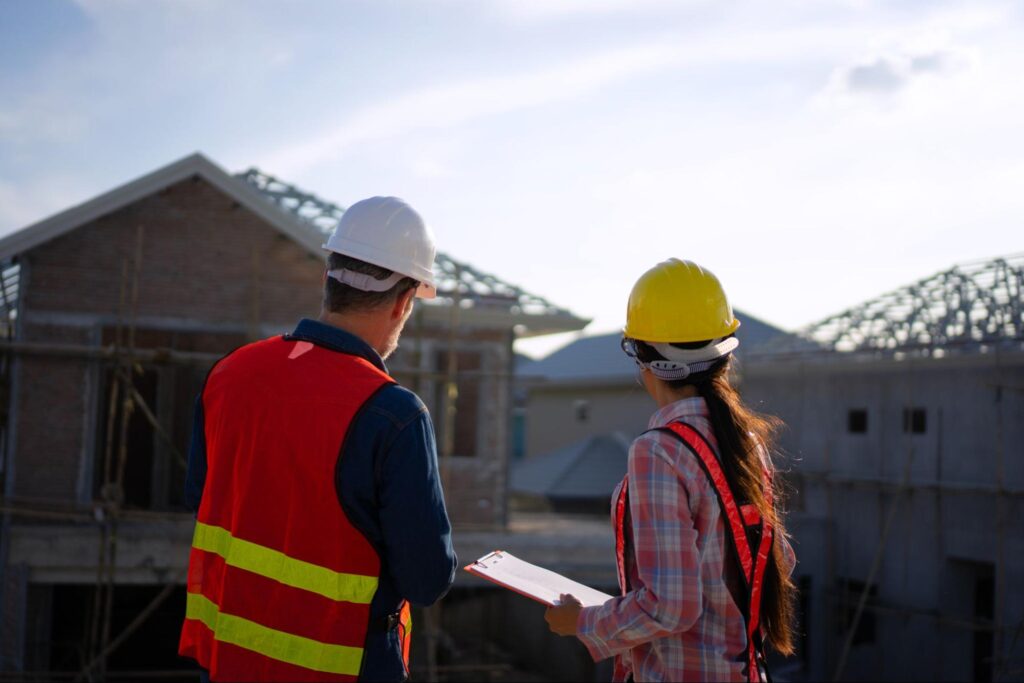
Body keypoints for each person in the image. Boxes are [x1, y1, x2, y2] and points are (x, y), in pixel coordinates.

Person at [178, 196, 457, 682]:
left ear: (329, 278)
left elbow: (203, 501)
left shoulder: (230, 372)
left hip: (228, 659)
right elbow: (427, 578)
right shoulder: (394, 414)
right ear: (403, 302)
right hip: (339, 666)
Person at [544, 258, 797, 682]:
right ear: (724, 354)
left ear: (643, 356)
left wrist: (583, 622)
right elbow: (777, 559)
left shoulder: (658, 452)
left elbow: (672, 606)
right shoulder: (747, 443)